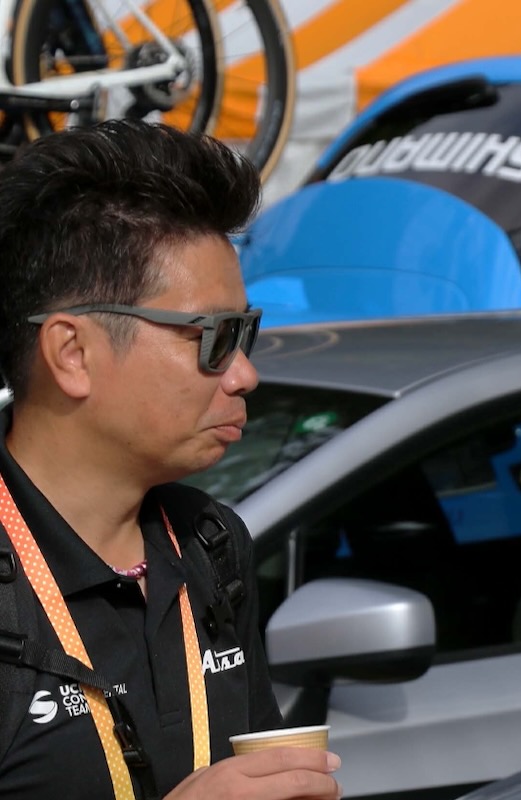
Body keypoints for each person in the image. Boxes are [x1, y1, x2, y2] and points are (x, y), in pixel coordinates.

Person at [0, 121, 341, 800]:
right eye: (214, 337)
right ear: (73, 353)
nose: (244, 374)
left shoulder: (210, 544)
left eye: (246, 334)